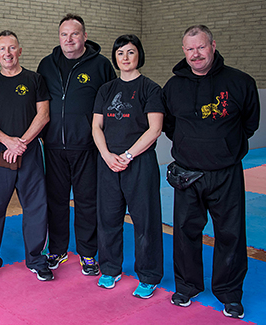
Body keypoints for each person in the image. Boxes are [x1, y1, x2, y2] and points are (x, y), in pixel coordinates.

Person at [163, 25, 260, 319]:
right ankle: (188, 286)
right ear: (183, 51)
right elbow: (169, 126)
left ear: (213, 46)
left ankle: (230, 293)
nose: (196, 54)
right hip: (187, 174)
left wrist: (224, 147)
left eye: (201, 47)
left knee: (230, 234)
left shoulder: (240, 82)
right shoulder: (173, 86)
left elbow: (249, 124)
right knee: (184, 233)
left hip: (225, 173)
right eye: (190, 49)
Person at [37, 13, 116, 274]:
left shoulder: (101, 65)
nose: (69, 39)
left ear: (84, 36)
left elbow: (111, 105)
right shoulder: (46, 65)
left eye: (74, 34)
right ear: (59, 37)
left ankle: (88, 253)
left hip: (87, 146)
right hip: (53, 146)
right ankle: (57, 250)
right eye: (64, 34)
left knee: (86, 201)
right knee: (56, 201)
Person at [91, 34, 164, 298]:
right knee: (108, 219)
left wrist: (128, 156)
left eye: (130, 52)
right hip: (108, 164)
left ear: (139, 56)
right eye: (120, 53)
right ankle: (110, 269)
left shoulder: (150, 89)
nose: (125, 58)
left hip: (139, 163)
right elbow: (96, 127)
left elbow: (155, 129)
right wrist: (108, 155)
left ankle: (149, 275)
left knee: (145, 222)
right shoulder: (106, 90)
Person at [0, 31, 53, 281]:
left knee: (36, 206)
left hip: (30, 151)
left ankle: (36, 258)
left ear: (19, 51)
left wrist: (22, 142)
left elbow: (43, 115)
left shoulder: (34, 80)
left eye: (12, 48)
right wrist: (8, 141)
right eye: (2, 49)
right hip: (0, 152)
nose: (7, 54)